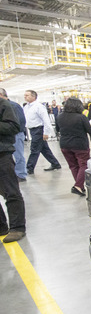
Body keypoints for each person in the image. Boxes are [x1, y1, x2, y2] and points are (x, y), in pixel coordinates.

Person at [0, 95, 26, 243]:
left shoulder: (3, 104)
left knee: (11, 192)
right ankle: (1, 226)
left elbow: (14, 127)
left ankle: (17, 228)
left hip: (2, 154)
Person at [57, 98, 91, 196]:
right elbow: (89, 130)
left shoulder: (59, 117)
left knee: (73, 166)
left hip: (64, 144)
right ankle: (78, 186)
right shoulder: (81, 117)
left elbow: (57, 129)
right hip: (79, 144)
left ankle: (80, 187)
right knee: (84, 165)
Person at [23, 90, 61, 174]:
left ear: (34, 96)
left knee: (34, 149)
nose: (25, 97)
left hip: (39, 130)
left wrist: (46, 133)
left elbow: (46, 120)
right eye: (25, 95)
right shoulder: (26, 107)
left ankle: (29, 168)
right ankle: (55, 164)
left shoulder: (39, 106)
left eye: (27, 95)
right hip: (32, 130)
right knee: (44, 149)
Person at [0, 89, 27, 182]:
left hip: (16, 134)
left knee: (18, 155)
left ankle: (21, 174)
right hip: (6, 135)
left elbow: (20, 121)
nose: (25, 97)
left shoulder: (13, 105)